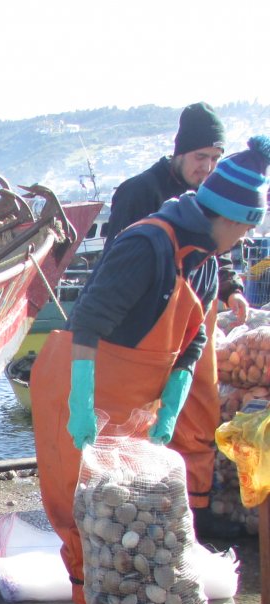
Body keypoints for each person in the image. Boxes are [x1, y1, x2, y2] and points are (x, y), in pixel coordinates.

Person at [30, 136, 270, 604]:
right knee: (79, 512)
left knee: (129, 516)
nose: (244, 240)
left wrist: (172, 408)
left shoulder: (202, 262)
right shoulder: (148, 244)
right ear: (228, 217)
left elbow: (194, 342)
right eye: (245, 229)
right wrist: (81, 403)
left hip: (135, 402)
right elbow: (91, 319)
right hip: (77, 387)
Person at [104, 103, 249, 539]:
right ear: (179, 153)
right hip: (146, 321)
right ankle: (133, 511)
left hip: (196, 312)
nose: (206, 167)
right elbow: (116, 263)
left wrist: (232, 288)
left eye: (214, 158)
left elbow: (221, 249)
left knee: (199, 407)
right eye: (199, 157)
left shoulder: (217, 196)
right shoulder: (138, 192)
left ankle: (197, 514)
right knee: (139, 416)